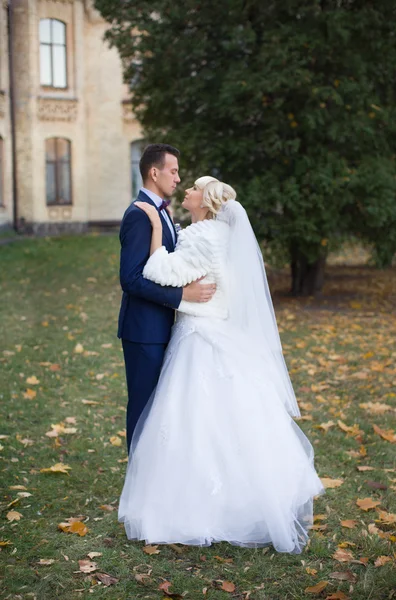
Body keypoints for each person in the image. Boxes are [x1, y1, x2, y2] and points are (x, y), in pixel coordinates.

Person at [118, 176, 325, 553]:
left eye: (194, 189)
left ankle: (200, 507)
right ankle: (246, 497)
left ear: (206, 201)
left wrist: (153, 231)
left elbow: (156, 271)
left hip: (198, 334)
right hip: (219, 330)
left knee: (195, 419)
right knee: (232, 418)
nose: (187, 191)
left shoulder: (201, 235)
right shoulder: (222, 235)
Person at [118, 144, 216, 453]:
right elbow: (130, 279)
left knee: (160, 411)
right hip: (143, 330)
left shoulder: (161, 213)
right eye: (173, 171)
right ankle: (137, 480)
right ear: (154, 172)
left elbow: (168, 264)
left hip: (163, 328)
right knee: (144, 408)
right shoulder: (139, 215)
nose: (177, 178)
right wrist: (182, 295)